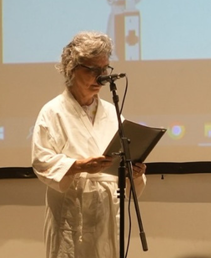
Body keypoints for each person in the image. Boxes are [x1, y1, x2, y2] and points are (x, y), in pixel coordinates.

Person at [31, 31, 147, 258]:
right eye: (93, 70)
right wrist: (80, 166)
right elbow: (41, 161)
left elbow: (124, 159)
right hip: (71, 214)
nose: (101, 77)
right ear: (71, 68)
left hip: (106, 212)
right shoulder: (53, 112)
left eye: (104, 69)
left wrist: (134, 171)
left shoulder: (113, 113)